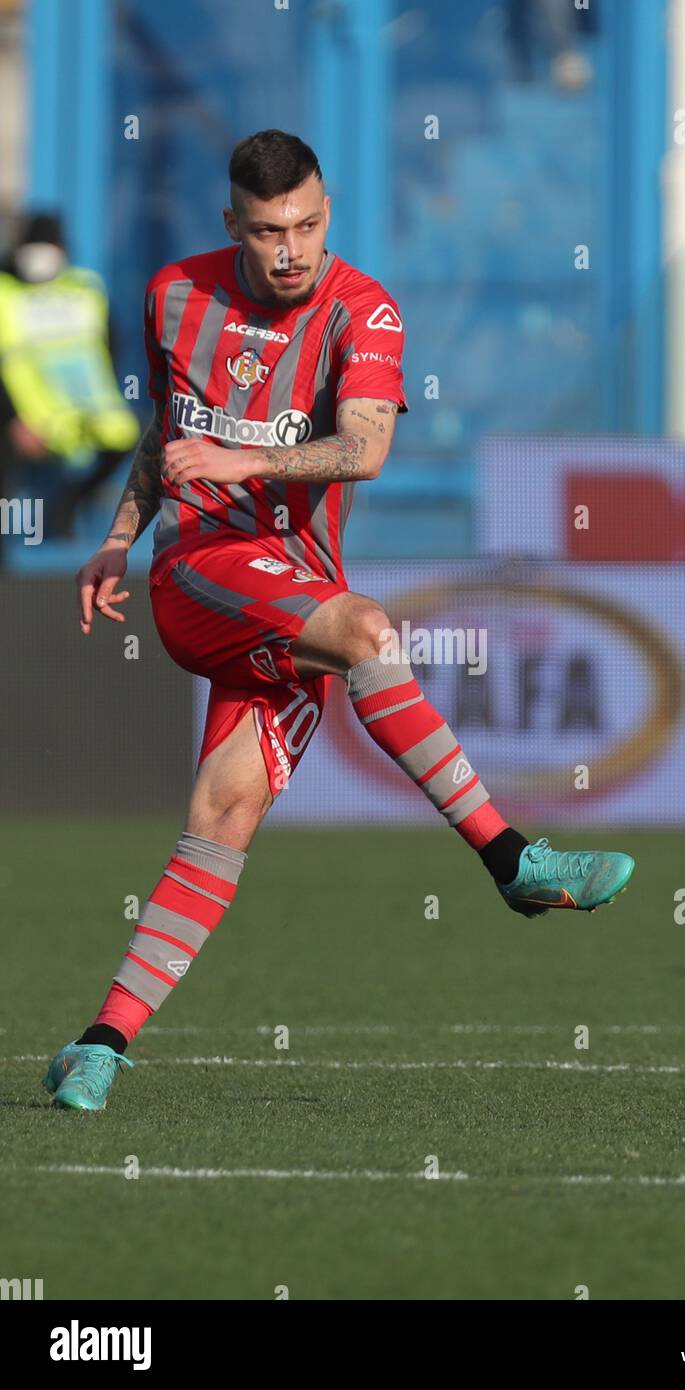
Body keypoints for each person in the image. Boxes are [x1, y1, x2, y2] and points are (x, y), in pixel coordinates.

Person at [42, 130, 634, 1112]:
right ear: (231, 223)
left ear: (327, 215)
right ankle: (511, 857)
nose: (290, 250)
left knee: (223, 816)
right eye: (269, 231)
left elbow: (362, 448)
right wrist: (119, 534)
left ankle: (97, 1044)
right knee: (367, 631)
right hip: (198, 576)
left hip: (292, 595)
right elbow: (166, 434)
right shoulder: (171, 295)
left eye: (308, 226)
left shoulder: (365, 310)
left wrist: (245, 461)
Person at [0, 212, 138, 550]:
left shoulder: (84, 288)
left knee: (130, 438)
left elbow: (110, 344)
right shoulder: (5, 290)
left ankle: (73, 508)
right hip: (21, 417)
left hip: (81, 410)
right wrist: (11, 421)